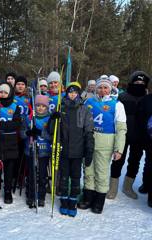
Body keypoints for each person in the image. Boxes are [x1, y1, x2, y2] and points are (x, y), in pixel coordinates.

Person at [79, 76, 127, 214]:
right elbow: (80, 122)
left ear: (110, 89)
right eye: (100, 87)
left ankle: (99, 202)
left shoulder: (117, 104)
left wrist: (119, 149)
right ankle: (88, 198)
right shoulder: (89, 101)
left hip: (105, 144)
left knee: (101, 173)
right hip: (88, 142)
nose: (102, 90)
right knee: (88, 170)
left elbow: (121, 129)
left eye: (105, 87)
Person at [50, 82, 94, 217]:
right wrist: (54, 118)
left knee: (75, 177)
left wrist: (89, 149)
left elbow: (88, 130)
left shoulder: (84, 109)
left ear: (79, 94)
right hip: (63, 150)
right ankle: (64, 200)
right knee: (63, 177)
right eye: (70, 92)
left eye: (75, 92)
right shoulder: (60, 107)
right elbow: (51, 130)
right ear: (66, 93)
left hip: (78, 150)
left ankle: (73, 201)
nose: (72, 94)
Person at [107, 71, 150, 200]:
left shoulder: (147, 98)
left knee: (135, 161)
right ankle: (112, 188)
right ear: (132, 82)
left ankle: (127, 187)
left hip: (140, 136)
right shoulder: (123, 97)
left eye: (142, 83)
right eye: (137, 82)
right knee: (118, 160)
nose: (139, 84)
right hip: (123, 135)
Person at [22, 94, 51, 208]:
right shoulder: (29, 118)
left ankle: (41, 196)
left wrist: (40, 132)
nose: (40, 108)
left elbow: (51, 136)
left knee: (42, 175)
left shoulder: (49, 119)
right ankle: (31, 195)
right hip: (31, 150)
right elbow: (22, 133)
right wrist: (28, 133)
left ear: (47, 107)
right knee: (31, 174)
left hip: (44, 151)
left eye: (43, 106)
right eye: (38, 105)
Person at [136, 73, 152, 208]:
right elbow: (140, 118)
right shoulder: (146, 100)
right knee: (149, 163)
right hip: (149, 138)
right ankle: (146, 184)